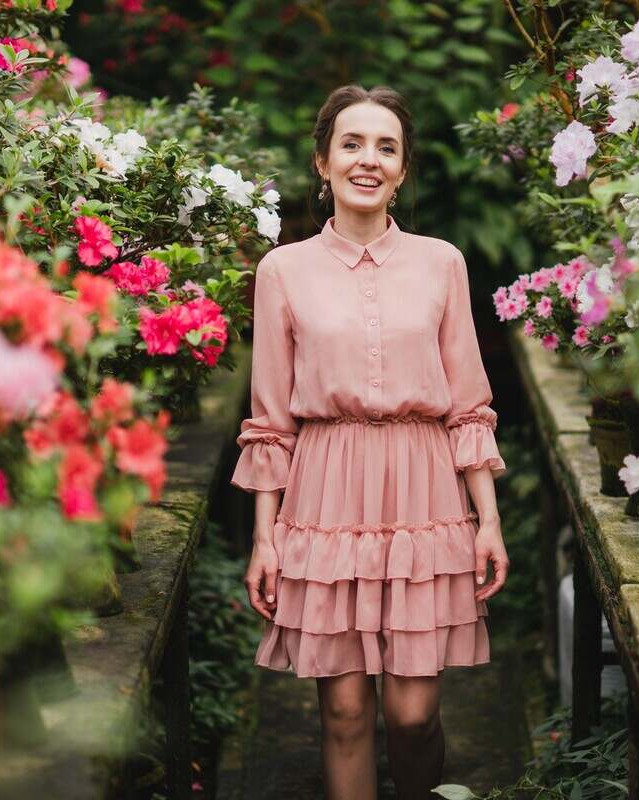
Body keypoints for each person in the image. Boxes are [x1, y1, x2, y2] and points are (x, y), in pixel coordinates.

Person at [230, 84, 510, 800]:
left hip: (424, 486)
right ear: (322, 163)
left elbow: (469, 402)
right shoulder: (281, 270)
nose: (368, 159)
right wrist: (266, 538)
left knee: (411, 714)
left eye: (386, 147)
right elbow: (268, 420)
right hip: (324, 487)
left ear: (403, 170)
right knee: (346, 710)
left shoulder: (442, 262)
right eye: (351, 143)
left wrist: (487, 520)